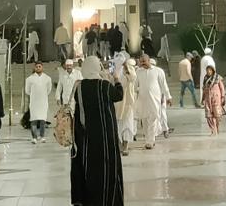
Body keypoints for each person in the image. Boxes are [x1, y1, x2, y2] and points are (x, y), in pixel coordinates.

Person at [68, 56, 123, 206]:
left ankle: (85, 200)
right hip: (106, 138)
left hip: (86, 138)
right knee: (107, 169)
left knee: (88, 168)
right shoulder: (104, 86)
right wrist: (116, 79)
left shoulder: (79, 87)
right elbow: (119, 95)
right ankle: (108, 200)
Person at [128, 55, 168, 150]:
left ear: (149, 60)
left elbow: (163, 85)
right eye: (141, 62)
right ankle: (148, 140)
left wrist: (168, 96)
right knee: (145, 120)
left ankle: (150, 141)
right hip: (143, 100)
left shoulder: (158, 71)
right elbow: (134, 86)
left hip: (155, 99)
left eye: (144, 62)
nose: (142, 64)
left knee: (153, 118)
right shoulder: (138, 72)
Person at [24, 62, 54, 144]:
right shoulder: (29, 79)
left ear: (42, 68)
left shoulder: (47, 78)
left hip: (43, 102)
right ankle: (34, 137)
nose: (38, 68)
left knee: (42, 120)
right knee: (33, 120)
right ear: (34, 68)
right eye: (36, 67)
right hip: (34, 102)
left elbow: (49, 90)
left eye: (39, 66)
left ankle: (42, 136)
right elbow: (27, 91)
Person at [199, 65, 224, 135]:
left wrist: (222, 97)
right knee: (208, 115)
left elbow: (222, 88)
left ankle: (217, 127)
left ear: (213, 70)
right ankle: (212, 130)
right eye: (207, 70)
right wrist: (203, 99)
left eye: (210, 70)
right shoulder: (205, 78)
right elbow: (204, 89)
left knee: (217, 115)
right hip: (207, 99)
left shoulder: (218, 78)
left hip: (216, 98)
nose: (208, 71)